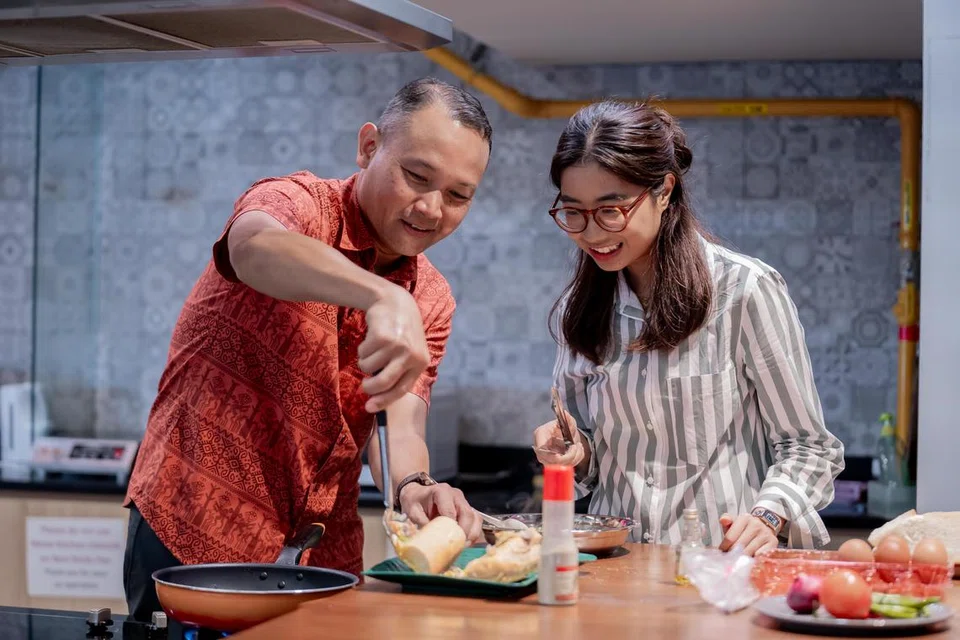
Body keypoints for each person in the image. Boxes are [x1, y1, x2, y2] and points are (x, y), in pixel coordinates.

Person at [121, 77, 491, 621]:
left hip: (322, 559)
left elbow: (403, 423)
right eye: (417, 176)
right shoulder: (296, 203)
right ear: (369, 147)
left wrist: (415, 485)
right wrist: (381, 296)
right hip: (195, 528)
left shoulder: (431, 298)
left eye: (459, 196)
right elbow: (253, 247)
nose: (433, 208)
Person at [532, 100, 845, 556]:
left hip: (725, 561)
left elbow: (811, 448)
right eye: (573, 211)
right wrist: (572, 448)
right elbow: (594, 461)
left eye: (611, 208)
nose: (592, 233)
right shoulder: (576, 310)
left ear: (664, 191)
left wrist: (768, 515)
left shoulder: (743, 290)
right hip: (621, 564)